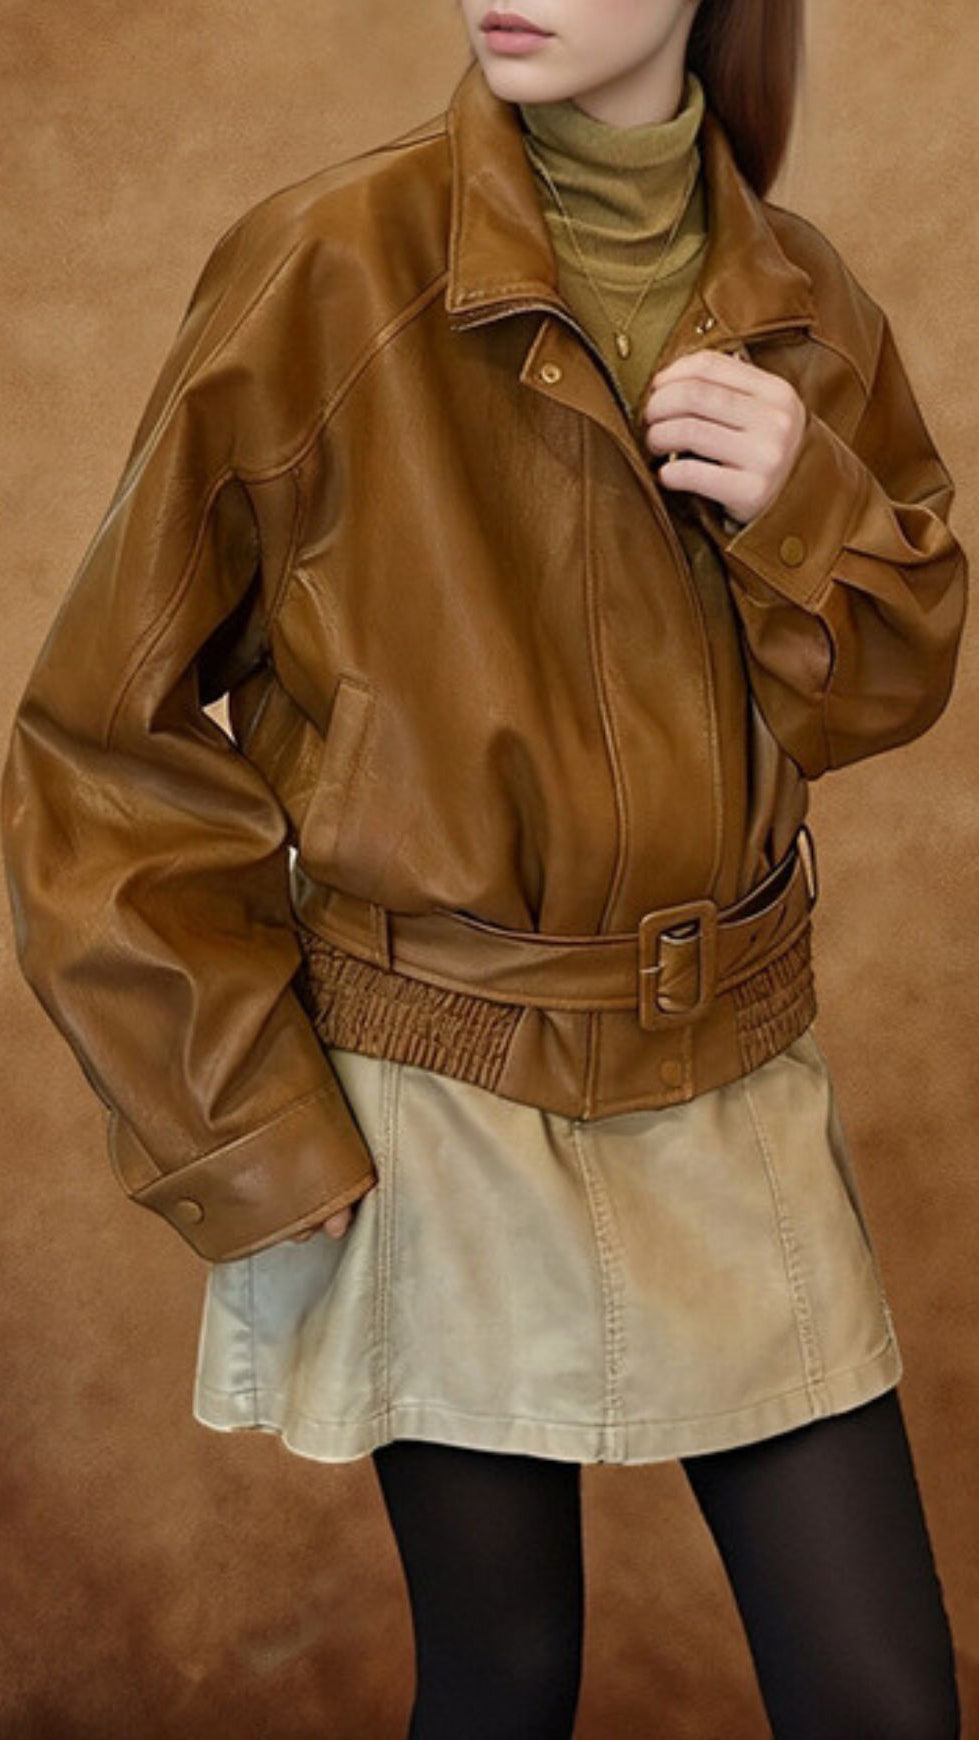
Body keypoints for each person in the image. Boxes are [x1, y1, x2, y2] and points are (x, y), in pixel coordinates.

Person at [1, 1, 967, 1735]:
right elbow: (95, 735)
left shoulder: (802, 299)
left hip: (731, 1071)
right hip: (434, 1090)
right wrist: (242, 1116)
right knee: (504, 1681)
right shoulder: (328, 267)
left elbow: (883, 694)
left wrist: (805, 503)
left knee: (882, 1696)